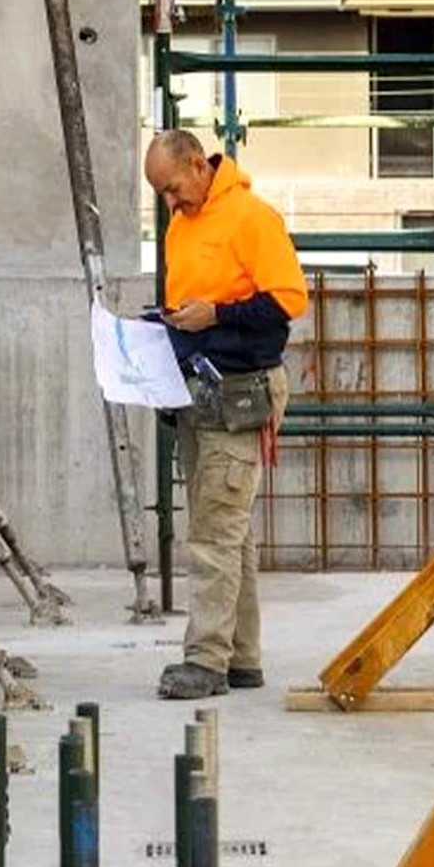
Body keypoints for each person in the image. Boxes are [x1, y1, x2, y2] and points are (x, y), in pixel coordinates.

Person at [143, 129, 308, 700]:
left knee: (215, 531)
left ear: (197, 164)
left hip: (241, 390)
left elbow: (287, 301)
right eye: (162, 194)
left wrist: (215, 314)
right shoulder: (181, 226)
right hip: (200, 390)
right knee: (227, 531)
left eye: (171, 188)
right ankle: (241, 657)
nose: (170, 201)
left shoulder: (251, 218)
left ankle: (205, 661)